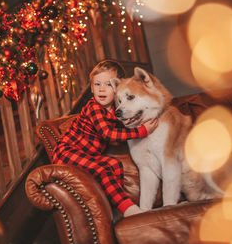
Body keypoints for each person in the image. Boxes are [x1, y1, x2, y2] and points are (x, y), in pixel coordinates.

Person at [52, 60, 158, 217]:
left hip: (86, 156)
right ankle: (129, 209)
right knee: (102, 170)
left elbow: (126, 123)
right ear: (92, 88)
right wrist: (141, 131)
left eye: (108, 84)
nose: (102, 89)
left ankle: (115, 208)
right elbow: (108, 134)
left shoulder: (117, 110)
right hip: (66, 152)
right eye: (97, 84)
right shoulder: (94, 108)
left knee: (114, 164)